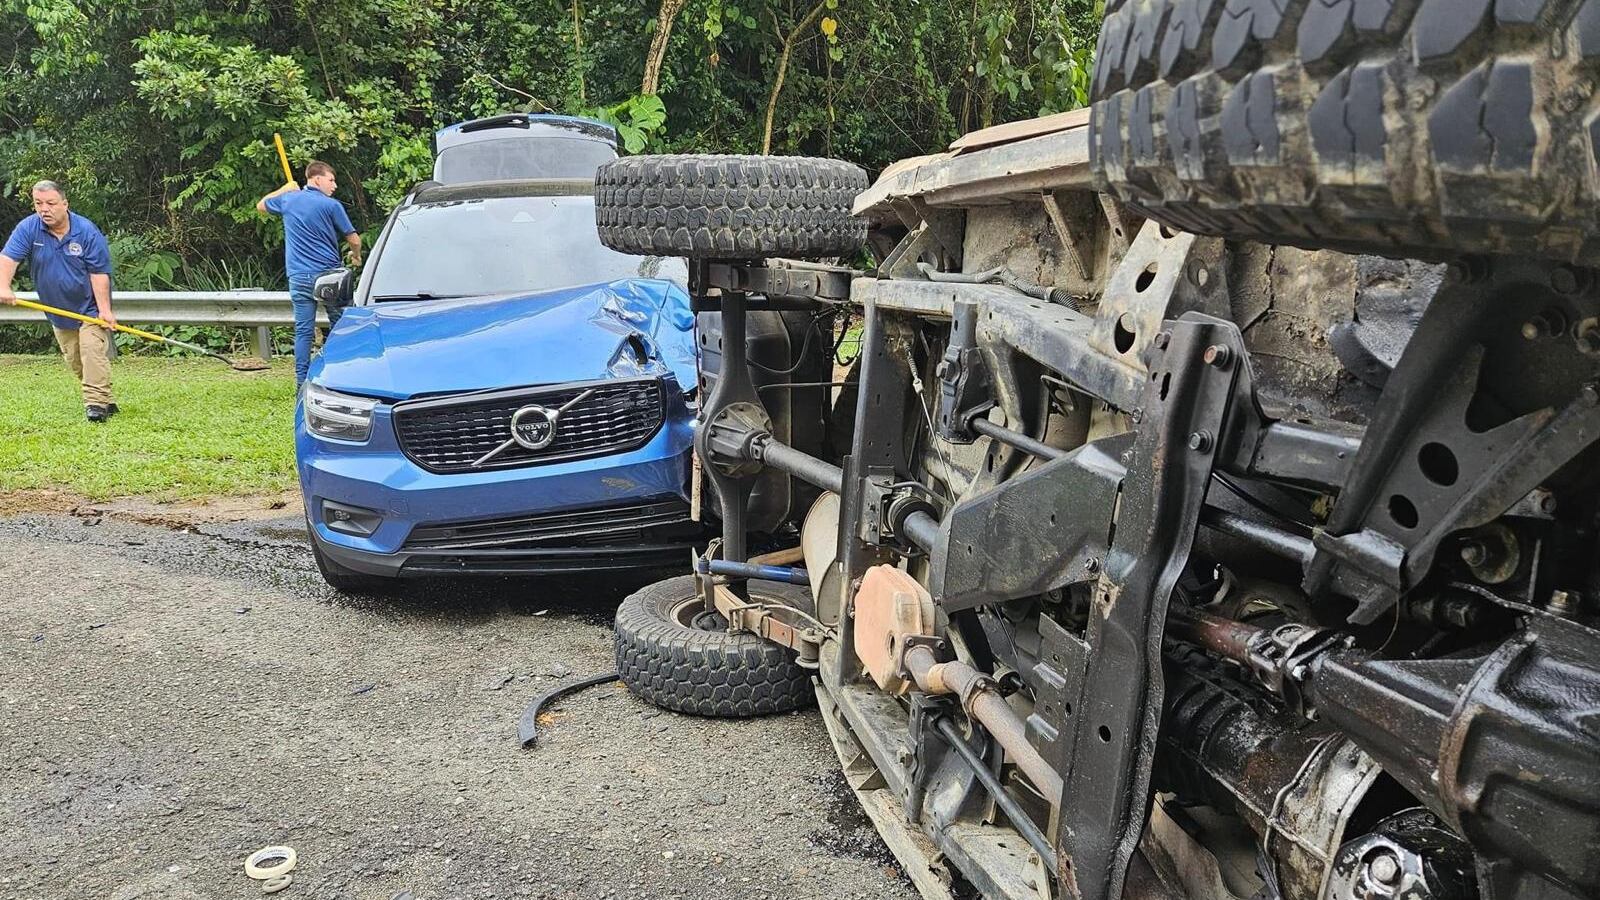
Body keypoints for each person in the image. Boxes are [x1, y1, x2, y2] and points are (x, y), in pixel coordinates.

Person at [0, 180, 118, 422]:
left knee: (92, 351)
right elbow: (8, 259)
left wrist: (104, 310)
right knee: (75, 360)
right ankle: (106, 398)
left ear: (65, 204)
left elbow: (99, 274)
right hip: (57, 310)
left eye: (51, 203)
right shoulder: (29, 228)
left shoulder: (86, 231)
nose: (44, 209)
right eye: (38, 203)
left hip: (90, 308)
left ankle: (96, 405)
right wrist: (3, 286)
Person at [257, 160, 362, 385]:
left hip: (298, 276)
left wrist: (284, 189)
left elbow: (261, 205)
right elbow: (353, 239)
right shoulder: (331, 205)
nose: (334, 185)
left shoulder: (288, 200)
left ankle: (301, 382)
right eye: (331, 180)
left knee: (304, 332)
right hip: (328, 276)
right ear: (317, 179)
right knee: (340, 326)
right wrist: (356, 256)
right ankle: (340, 375)